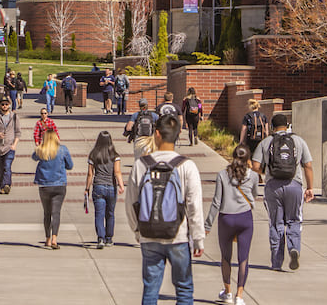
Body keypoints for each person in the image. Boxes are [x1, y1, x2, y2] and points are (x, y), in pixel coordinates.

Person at [126, 113, 205, 305]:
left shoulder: (141, 165)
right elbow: (194, 204)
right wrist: (198, 238)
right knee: (184, 288)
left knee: (151, 288)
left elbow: (131, 203)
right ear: (178, 135)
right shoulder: (187, 166)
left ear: (157, 134)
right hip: (178, 235)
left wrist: (138, 230)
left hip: (149, 234)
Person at [251, 113, 314, 271]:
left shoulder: (266, 142)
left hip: (273, 187)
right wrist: (310, 187)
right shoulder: (298, 141)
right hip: (294, 185)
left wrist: (268, 173)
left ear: (272, 127)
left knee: (275, 223)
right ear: (288, 125)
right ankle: (294, 248)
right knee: (294, 220)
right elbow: (308, 165)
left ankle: (277, 262)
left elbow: (255, 166)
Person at [205, 144, 258, 305]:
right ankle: (239, 295)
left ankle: (227, 292)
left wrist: (207, 225)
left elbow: (216, 202)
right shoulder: (253, 176)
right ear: (248, 159)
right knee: (243, 258)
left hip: (226, 217)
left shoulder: (222, 174)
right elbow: (254, 195)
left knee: (226, 257)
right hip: (245, 218)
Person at [32, 129, 73, 249]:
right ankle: (55, 238)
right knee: (56, 212)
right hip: (59, 184)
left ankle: (48, 238)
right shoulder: (63, 149)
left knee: (47, 213)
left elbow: (34, 157)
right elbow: (70, 165)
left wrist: (41, 145)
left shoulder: (41, 150)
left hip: (45, 185)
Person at [85, 131, 125, 249]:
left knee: (99, 214)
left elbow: (90, 174)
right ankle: (109, 238)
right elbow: (117, 172)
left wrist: (87, 188)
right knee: (110, 214)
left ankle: (100, 238)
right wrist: (121, 185)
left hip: (98, 186)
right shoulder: (115, 155)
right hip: (111, 187)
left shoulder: (93, 155)